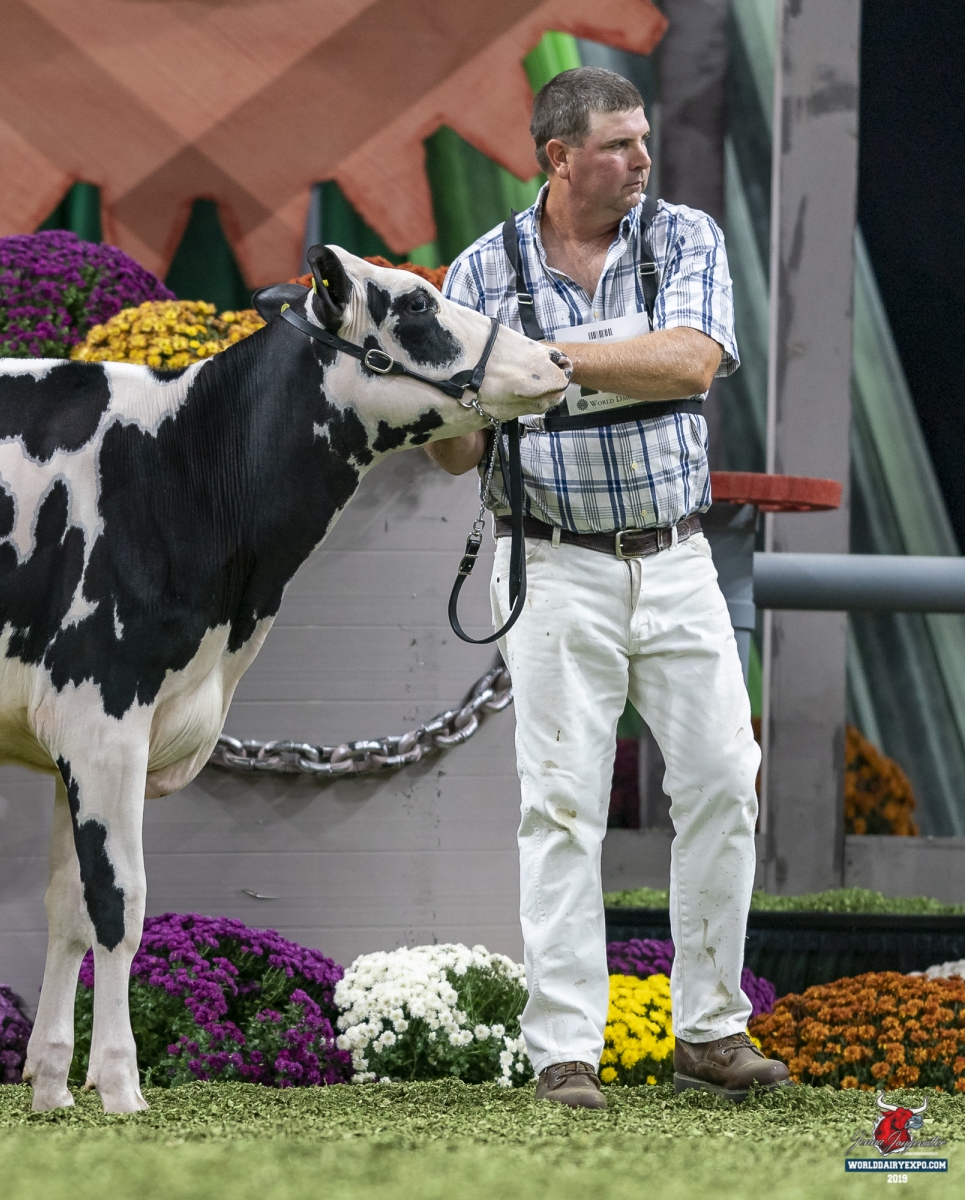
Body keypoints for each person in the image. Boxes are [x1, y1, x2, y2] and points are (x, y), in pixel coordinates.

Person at [424, 67, 790, 1109]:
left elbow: (690, 363)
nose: (641, 159)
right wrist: (448, 400)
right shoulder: (479, 269)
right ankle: (564, 1052)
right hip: (549, 561)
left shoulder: (683, 238)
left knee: (724, 781)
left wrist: (540, 364)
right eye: (619, 144)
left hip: (677, 557)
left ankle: (709, 1030)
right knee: (560, 806)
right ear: (560, 157)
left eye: (642, 139)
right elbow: (455, 455)